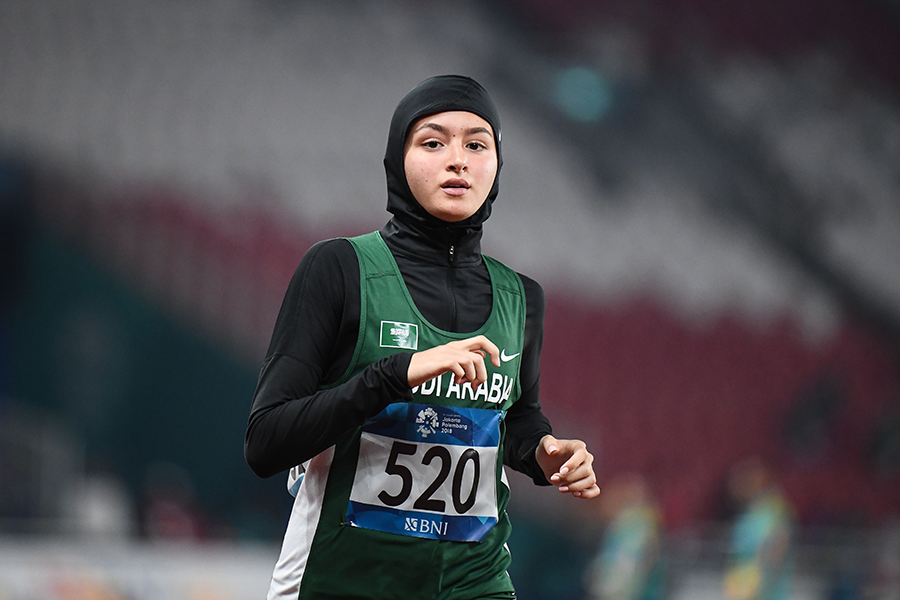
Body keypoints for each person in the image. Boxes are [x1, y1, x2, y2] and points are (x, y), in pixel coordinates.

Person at [245, 74, 600, 600]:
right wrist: (394, 376)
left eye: (477, 144)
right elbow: (266, 442)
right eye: (433, 142)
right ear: (397, 158)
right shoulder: (338, 269)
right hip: (341, 581)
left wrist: (543, 453)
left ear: (496, 165)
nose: (458, 160)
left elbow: (516, 416)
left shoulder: (522, 297)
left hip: (475, 582)